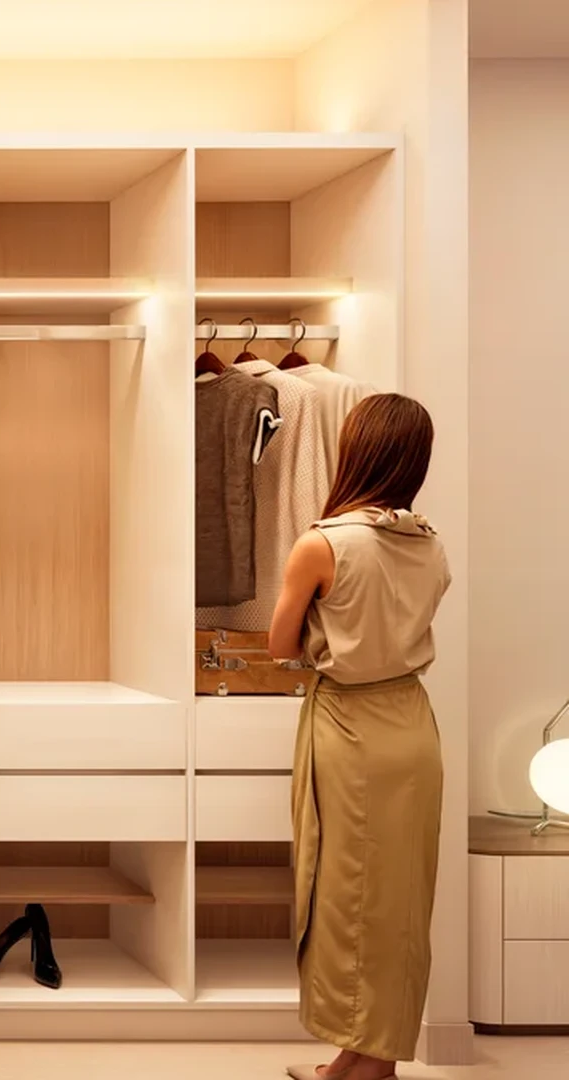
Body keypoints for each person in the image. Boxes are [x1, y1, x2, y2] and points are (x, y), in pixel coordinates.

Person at [268, 393, 451, 1080]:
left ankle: (368, 1068)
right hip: (413, 725)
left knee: (347, 894)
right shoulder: (429, 543)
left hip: (350, 726)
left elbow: (283, 643)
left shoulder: (322, 543)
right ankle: (363, 1058)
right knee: (400, 901)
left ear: (358, 451)